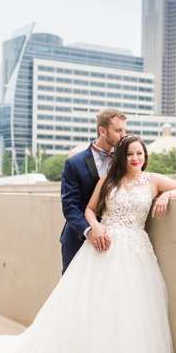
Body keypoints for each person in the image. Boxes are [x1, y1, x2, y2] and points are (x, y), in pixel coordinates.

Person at [0, 135, 176, 353]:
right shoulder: (108, 180)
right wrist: (96, 226)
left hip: (136, 253)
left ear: (145, 155)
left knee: (129, 313)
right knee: (90, 311)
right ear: (121, 157)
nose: (135, 159)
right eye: (129, 154)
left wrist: (166, 196)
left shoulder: (153, 180)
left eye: (139, 153)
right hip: (103, 247)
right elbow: (90, 210)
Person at [60, 108, 126, 273]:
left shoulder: (127, 159)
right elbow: (69, 206)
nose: (123, 135)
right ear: (102, 131)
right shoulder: (74, 163)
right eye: (118, 130)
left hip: (115, 240)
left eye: (124, 129)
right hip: (78, 238)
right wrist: (88, 231)